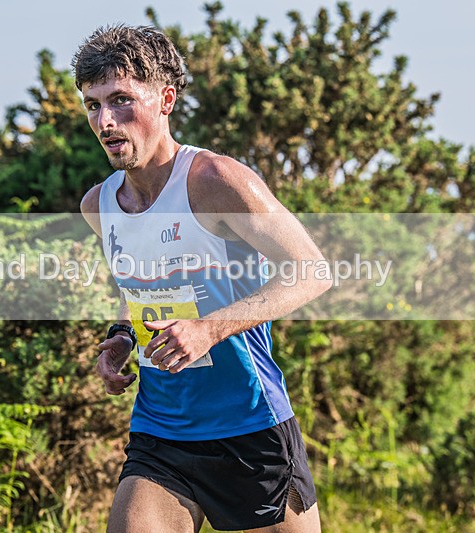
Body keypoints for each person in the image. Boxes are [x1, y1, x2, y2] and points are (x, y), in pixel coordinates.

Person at [74, 25, 331, 533]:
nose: (105, 121)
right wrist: (122, 335)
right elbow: (139, 287)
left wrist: (209, 329)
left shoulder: (217, 182)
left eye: (122, 100)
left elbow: (311, 270)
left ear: (165, 100)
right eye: (93, 105)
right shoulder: (99, 205)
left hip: (250, 429)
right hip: (161, 432)